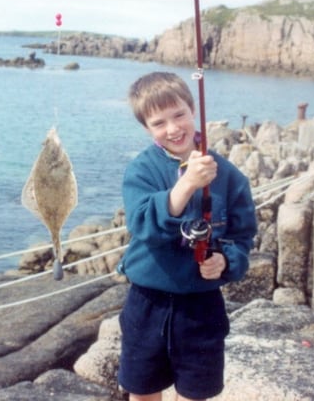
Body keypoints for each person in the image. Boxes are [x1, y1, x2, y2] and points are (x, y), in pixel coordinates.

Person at [117, 71, 257, 401]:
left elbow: (242, 238)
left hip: (202, 306)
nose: (173, 128)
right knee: (142, 390)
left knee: (196, 393)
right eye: (159, 123)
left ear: (193, 109)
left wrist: (226, 261)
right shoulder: (141, 170)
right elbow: (142, 224)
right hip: (147, 302)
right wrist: (188, 183)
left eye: (179, 115)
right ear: (146, 128)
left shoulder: (230, 176)